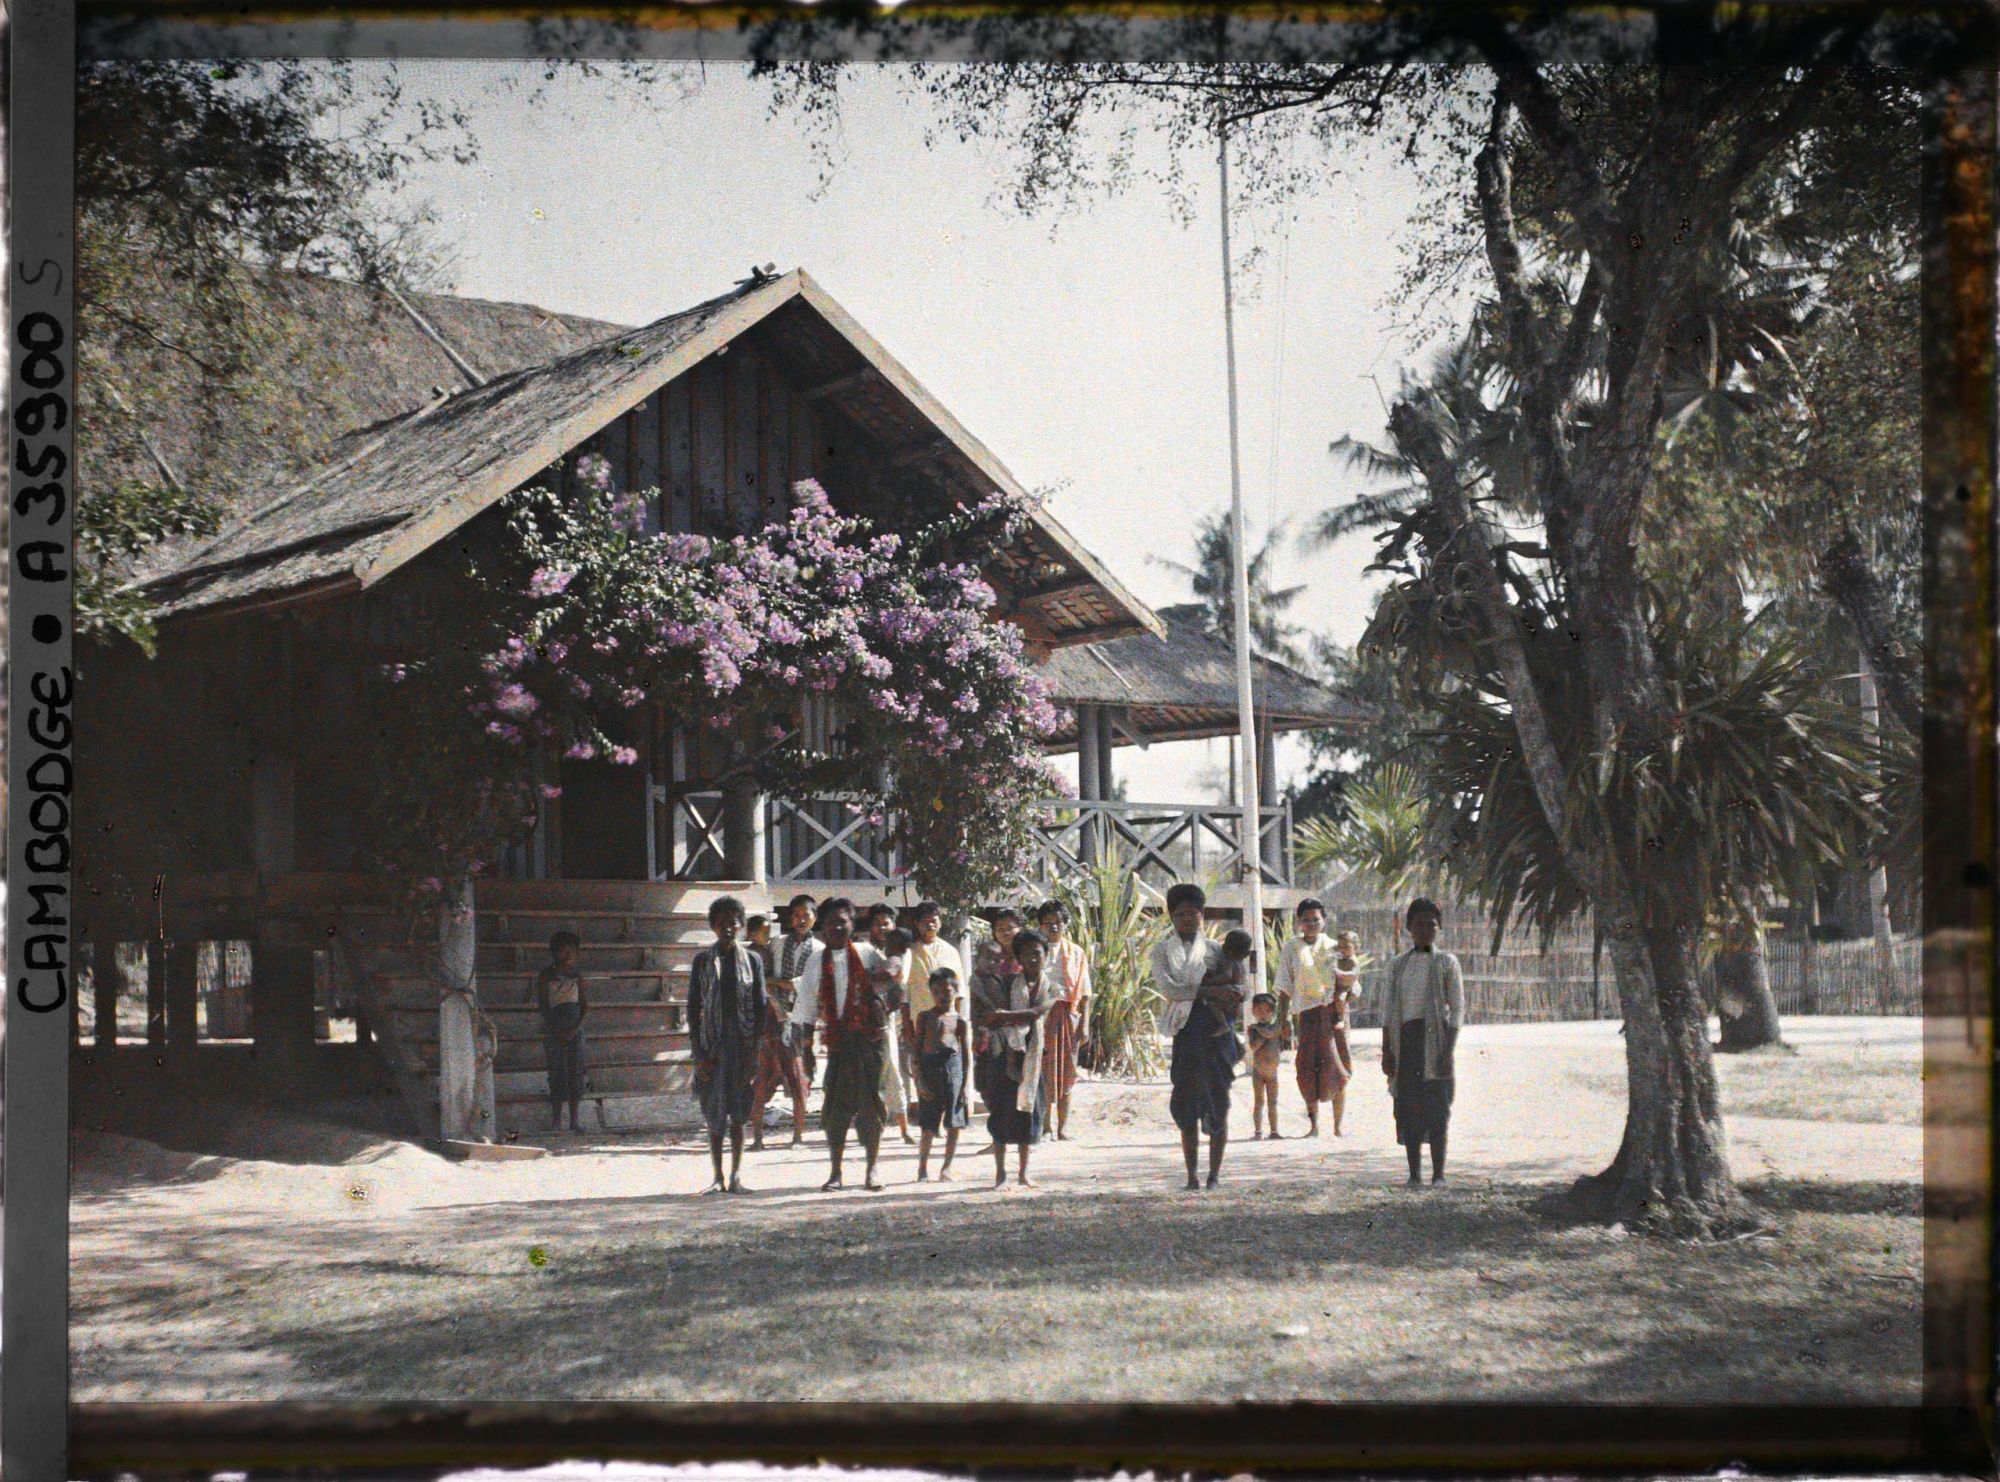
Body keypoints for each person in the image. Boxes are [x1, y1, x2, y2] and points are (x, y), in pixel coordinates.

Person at [788, 898, 901, 1190]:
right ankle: (836, 1172)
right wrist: (807, 1052)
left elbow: (895, 990)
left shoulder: (867, 954)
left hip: (871, 1041)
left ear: (852, 924)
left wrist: (882, 1004)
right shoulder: (815, 961)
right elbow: (806, 1009)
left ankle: (872, 1169)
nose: (837, 927)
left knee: (872, 1105)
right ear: (822, 928)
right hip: (838, 1043)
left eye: (843, 921)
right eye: (831, 922)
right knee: (835, 1110)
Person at [1151, 884, 1238, 1190]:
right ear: (1172, 917)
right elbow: (1171, 989)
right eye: (1180, 914)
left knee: (1218, 1100)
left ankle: (1214, 1175)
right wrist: (1209, 990)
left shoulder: (1216, 950)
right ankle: (1192, 1176)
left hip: (1216, 1032)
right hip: (1186, 1031)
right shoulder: (1162, 950)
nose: (1187, 919)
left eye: (1193, 913)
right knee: (1186, 1103)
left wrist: (1224, 996)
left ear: (1202, 915)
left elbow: (1237, 987)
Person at [1380, 897, 1466, 1187]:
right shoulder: (1397, 965)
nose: (1425, 930)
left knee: (1438, 1108)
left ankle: (1439, 1174)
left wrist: (1448, 1051)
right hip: (1405, 1043)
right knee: (1409, 1107)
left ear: (1439, 927)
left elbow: (1457, 1009)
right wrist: (1387, 1049)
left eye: (1431, 924)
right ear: (1408, 928)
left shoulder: (1446, 962)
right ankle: (1414, 1174)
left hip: (1436, 1042)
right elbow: (1387, 1009)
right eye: (1419, 924)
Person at [686, 896, 767, 1194]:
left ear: (742, 925)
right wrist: (698, 1053)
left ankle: (736, 1176)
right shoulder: (703, 961)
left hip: (742, 1048)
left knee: (739, 1114)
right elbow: (693, 1008)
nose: (728, 927)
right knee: (714, 1113)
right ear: (712, 926)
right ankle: (717, 1176)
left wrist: (755, 1053)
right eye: (721, 922)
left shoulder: (753, 961)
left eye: (733, 921)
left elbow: (761, 1008)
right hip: (713, 1048)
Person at [972, 925, 1057, 1187]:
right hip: (1005, 1056)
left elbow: (1036, 1013)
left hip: (1032, 1056)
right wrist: (1003, 1017)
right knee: (1001, 1113)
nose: (1033, 959)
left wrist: (1004, 1015)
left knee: (1028, 1115)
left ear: (1046, 955)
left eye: (1037, 953)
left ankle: (1023, 1173)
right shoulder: (1009, 983)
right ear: (1018, 958)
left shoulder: (1051, 987)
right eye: (1027, 954)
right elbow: (989, 1015)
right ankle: (1000, 1173)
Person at [1274, 899, 1352, 1137]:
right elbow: (1285, 985)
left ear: (1324, 920)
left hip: (1333, 1013)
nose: (1311, 924)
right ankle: (1314, 1125)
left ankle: (1338, 1127)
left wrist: (1342, 1000)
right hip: (1306, 1015)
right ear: (1299, 922)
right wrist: (1283, 1018)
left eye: (1315, 919)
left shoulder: (1335, 947)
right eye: (1306, 920)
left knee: (1337, 1067)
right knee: (1308, 1068)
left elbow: (1350, 980)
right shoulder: (1291, 948)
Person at [1035, 899, 1093, 1141]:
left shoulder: (1077, 952)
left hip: (1068, 1015)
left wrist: (1085, 1024)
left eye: (1058, 922)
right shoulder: (1035, 950)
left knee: (1067, 1069)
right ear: (1040, 926)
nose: (1054, 927)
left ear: (1066, 924)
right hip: (1042, 1015)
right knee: (1044, 1069)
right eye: (1048, 923)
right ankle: (1046, 1126)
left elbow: (1086, 991)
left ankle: (1063, 1127)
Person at [900, 901, 964, 1106]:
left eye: (933, 921)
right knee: (921, 1067)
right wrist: (907, 1025)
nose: (930, 925)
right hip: (920, 1021)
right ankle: (926, 1112)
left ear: (940, 922)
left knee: (947, 1066)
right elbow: (904, 993)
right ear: (917, 924)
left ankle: (946, 1111)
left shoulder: (950, 951)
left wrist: (959, 1021)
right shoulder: (909, 952)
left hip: (948, 1022)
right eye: (925, 921)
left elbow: (959, 991)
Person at [863, 904, 915, 1145]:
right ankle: (873, 1124)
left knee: (892, 1068)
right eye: (877, 923)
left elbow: (891, 977)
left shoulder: (899, 953)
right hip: (863, 1017)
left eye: (886, 923)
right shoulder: (865, 950)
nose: (881, 927)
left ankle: (904, 1127)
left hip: (886, 1018)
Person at [912, 967, 970, 1181]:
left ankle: (947, 1167)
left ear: (956, 991)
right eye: (936, 992)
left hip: (953, 1070)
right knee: (928, 1125)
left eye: (947, 991)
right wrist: (919, 1080)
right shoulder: (925, 1017)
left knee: (954, 1123)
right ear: (931, 993)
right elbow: (916, 1051)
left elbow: (966, 1056)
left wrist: (964, 1086)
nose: (942, 996)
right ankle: (922, 1168)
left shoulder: (960, 1021)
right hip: (929, 1070)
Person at [534, 930, 589, 1133]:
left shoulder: (577, 977)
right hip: (554, 1030)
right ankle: (556, 1121)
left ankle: (574, 1121)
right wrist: (557, 1029)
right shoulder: (545, 976)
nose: (566, 955)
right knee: (556, 1073)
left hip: (575, 1030)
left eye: (571, 951)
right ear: (553, 953)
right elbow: (543, 1006)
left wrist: (575, 1028)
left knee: (575, 1074)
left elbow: (584, 1006)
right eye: (562, 951)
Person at [770, 895, 819, 1089]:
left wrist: (775, 981)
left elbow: (803, 984)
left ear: (814, 917)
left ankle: (801, 1103)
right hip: (777, 1010)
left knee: (802, 1061)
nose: (801, 920)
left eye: (806, 915)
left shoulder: (819, 949)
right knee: (774, 1063)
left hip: (803, 1013)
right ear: (790, 919)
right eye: (796, 915)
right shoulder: (778, 943)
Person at [1246, 991, 1285, 1138]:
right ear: (1253, 1011)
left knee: (1273, 1103)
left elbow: (1270, 1034)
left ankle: (1274, 1131)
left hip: (1272, 1074)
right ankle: (1258, 1132)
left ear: (1273, 1012)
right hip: (1258, 1072)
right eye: (1259, 1010)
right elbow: (1254, 1047)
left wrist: (1259, 1030)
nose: (1263, 1014)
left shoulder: (1274, 1027)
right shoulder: (1253, 1030)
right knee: (1259, 1102)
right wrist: (1259, 1035)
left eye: (1267, 1011)